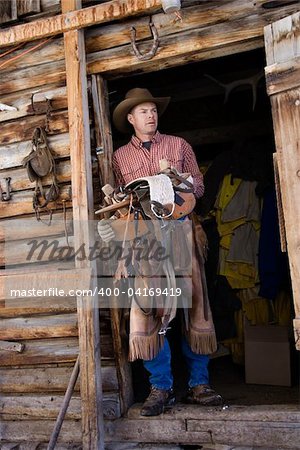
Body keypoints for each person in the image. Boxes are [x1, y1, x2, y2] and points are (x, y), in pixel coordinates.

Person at [98, 88, 223, 416]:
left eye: (153, 110)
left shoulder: (179, 145)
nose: (150, 116)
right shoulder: (120, 157)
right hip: (145, 240)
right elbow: (117, 204)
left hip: (181, 231)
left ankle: (199, 384)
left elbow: (199, 185)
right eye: (143, 112)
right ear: (130, 118)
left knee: (193, 304)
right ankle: (161, 387)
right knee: (149, 308)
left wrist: (178, 180)